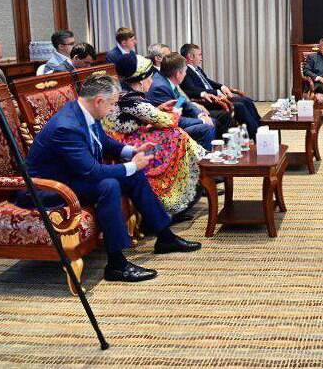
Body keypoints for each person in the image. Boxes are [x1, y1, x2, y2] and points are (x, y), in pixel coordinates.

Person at [24, 74, 201, 282]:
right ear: (99, 100)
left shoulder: (85, 112)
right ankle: (117, 265)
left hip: (73, 176)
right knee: (108, 185)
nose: (113, 109)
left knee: (133, 175)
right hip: (49, 188)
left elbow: (103, 141)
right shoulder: (67, 127)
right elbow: (93, 172)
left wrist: (131, 150)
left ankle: (165, 237)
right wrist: (132, 165)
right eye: (112, 104)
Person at [104, 53, 205, 217]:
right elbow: (167, 121)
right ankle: (173, 199)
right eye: (150, 78)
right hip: (123, 144)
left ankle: (198, 173)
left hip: (128, 137)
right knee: (175, 134)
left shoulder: (126, 94)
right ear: (140, 81)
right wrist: (175, 112)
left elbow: (145, 116)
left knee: (175, 134)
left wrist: (160, 109)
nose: (152, 82)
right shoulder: (132, 100)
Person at [147, 52, 228, 150]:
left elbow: (182, 101)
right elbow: (171, 119)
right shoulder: (160, 87)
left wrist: (200, 115)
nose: (185, 74)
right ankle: (204, 157)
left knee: (213, 121)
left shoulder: (167, 81)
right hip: (168, 130)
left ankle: (215, 151)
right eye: (185, 71)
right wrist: (202, 120)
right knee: (208, 126)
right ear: (178, 74)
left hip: (177, 118)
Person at [179, 43, 261, 137]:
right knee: (240, 106)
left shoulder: (197, 69)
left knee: (246, 100)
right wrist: (216, 92)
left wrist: (221, 87)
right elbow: (192, 90)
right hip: (209, 101)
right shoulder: (185, 71)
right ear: (190, 57)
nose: (201, 58)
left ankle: (260, 125)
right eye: (199, 55)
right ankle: (255, 134)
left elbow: (207, 81)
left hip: (216, 97)